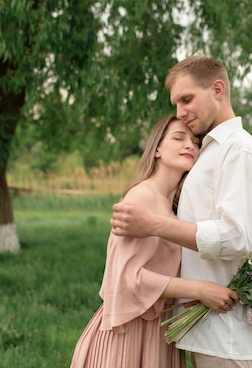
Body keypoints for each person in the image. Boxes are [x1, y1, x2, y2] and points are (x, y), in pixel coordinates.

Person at [111, 55, 252, 368]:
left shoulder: (241, 151)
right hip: (198, 328)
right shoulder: (208, 150)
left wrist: (154, 224)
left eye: (187, 100)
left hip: (226, 334)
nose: (180, 113)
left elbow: (238, 237)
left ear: (218, 89)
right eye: (175, 105)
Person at [71, 114, 239, 368]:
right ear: (157, 149)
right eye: (178, 138)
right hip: (128, 331)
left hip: (159, 331)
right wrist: (200, 290)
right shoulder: (141, 197)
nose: (189, 146)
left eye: (195, 142)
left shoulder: (176, 206)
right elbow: (126, 278)